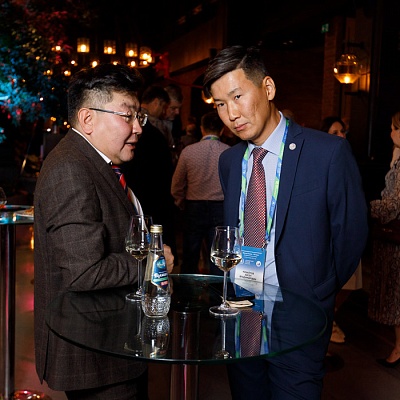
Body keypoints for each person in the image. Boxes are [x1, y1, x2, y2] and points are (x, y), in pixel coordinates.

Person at [203, 45, 369, 399]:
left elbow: (351, 235)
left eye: (237, 96)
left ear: (268, 88)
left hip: (299, 314)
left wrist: (318, 291)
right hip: (242, 309)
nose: (231, 114)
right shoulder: (229, 162)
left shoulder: (327, 153)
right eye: (220, 104)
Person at [34, 63, 174, 400]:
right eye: (127, 116)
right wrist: (152, 262)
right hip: (94, 353)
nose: (138, 128)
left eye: (139, 116)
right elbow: (84, 272)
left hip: (112, 342)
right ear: (88, 119)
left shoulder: (94, 162)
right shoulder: (70, 169)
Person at [123, 84, 178, 263]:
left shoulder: (151, 131)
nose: (137, 128)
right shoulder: (154, 132)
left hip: (138, 196)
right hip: (151, 198)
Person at [321, 116, 363, 344]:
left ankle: (329, 317)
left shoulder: (347, 155)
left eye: (343, 131)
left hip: (348, 228)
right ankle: (326, 322)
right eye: (335, 132)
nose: (341, 136)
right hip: (330, 230)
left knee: (351, 282)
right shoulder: (322, 158)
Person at [171, 110, 230, 275]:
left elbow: (177, 183)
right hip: (220, 207)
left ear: (202, 128)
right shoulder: (228, 152)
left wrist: (180, 201)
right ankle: (217, 290)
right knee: (218, 256)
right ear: (222, 130)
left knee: (190, 254)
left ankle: (186, 290)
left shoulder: (189, 151)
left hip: (194, 206)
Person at [368, 111, 400, 368]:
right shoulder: (396, 158)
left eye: (394, 128)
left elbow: (393, 204)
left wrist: (369, 207)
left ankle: (399, 349)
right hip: (393, 240)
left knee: (396, 297)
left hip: (395, 241)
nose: (391, 133)